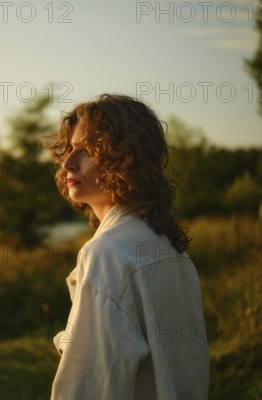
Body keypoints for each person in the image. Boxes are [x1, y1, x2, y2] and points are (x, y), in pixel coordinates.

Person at [45, 94, 209, 399]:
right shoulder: (171, 248)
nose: (67, 162)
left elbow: (90, 384)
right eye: (69, 150)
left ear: (124, 157)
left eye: (86, 150)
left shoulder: (109, 254)